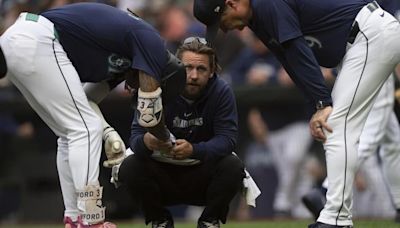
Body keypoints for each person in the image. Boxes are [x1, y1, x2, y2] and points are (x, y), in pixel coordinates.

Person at [193, 0, 400, 227]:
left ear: (232, 4)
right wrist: (317, 105)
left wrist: (322, 103)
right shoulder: (256, 17)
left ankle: (336, 219)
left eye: (222, 21)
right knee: (372, 133)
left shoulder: (265, 5)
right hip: (359, 42)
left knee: (337, 127)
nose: (225, 28)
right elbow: (289, 60)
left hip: (369, 35)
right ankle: (340, 214)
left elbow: (296, 50)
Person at [0, 2, 186, 227]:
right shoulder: (153, 44)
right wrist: (166, 139)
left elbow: (87, 102)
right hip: (38, 38)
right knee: (85, 129)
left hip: (23, 41)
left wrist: (108, 133)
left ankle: (74, 217)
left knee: (71, 133)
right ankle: (91, 220)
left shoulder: (124, 63)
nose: (133, 90)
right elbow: (149, 115)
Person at [117, 37, 245, 228]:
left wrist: (194, 150)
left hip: (200, 172)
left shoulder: (221, 91)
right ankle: (159, 220)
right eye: (187, 68)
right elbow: (135, 139)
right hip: (162, 173)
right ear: (176, 67)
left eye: (201, 69)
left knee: (233, 166)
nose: (193, 75)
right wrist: (148, 142)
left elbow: (228, 140)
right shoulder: (155, 88)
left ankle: (210, 220)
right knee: (129, 166)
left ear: (212, 72)